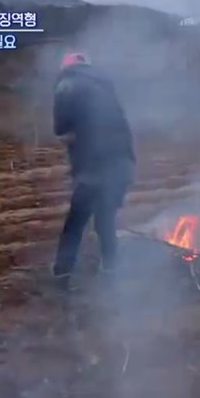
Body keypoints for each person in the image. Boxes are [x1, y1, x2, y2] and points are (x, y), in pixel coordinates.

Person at [51, 51, 135, 290]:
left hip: (92, 167)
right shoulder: (106, 86)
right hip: (122, 164)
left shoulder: (66, 85)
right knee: (105, 219)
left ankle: (61, 276)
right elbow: (123, 127)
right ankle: (111, 270)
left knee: (75, 223)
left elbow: (63, 131)